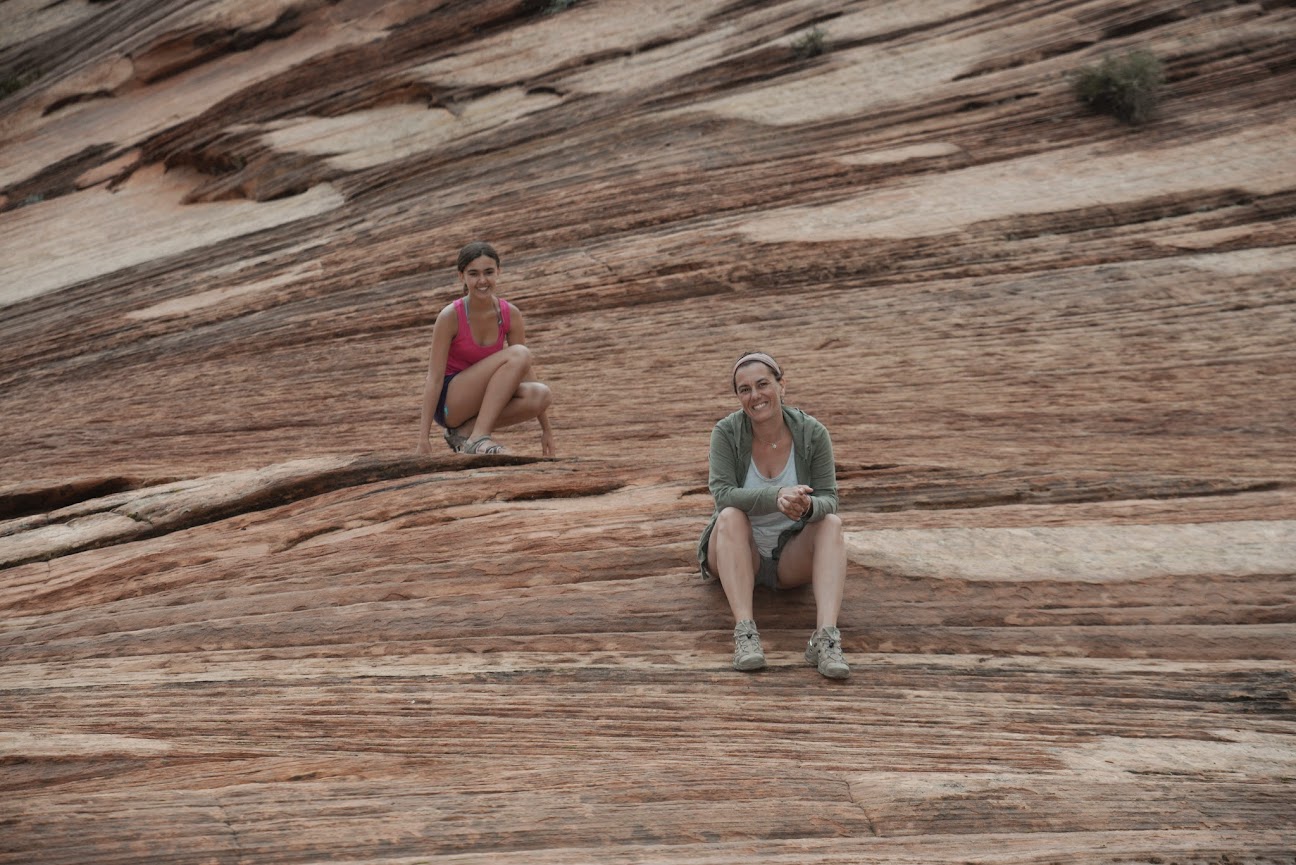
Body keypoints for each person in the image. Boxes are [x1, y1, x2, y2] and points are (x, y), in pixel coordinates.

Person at [696, 350, 850, 679]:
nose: (755, 396)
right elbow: (722, 495)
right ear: (738, 396)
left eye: (763, 384)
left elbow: (830, 499)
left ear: (782, 385)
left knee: (831, 524)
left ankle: (825, 639)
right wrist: (776, 495)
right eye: (745, 389)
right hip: (738, 550)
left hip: (789, 557)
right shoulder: (726, 433)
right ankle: (746, 635)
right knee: (730, 515)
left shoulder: (812, 433)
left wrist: (808, 507)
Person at [417, 241, 555, 457]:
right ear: (461, 276)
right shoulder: (450, 316)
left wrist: (546, 429)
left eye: (489, 272)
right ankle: (480, 438)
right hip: (450, 404)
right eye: (473, 274)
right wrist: (423, 439)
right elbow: (433, 378)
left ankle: (466, 433)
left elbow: (525, 371)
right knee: (519, 353)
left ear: (498, 271)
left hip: (479, 400)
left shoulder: (511, 314)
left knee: (541, 395)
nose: (482, 280)